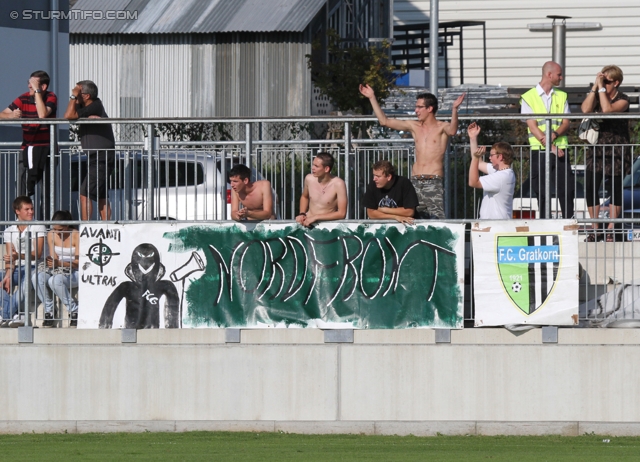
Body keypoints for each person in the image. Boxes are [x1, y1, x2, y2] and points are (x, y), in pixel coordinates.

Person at [359, 83, 465, 219]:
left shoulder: (441, 127)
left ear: (430, 108)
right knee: (413, 218)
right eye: (416, 107)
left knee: (435, 219)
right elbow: (384, 121)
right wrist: (372, 97)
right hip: (415, 180)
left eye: (419, 107)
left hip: (433, 180)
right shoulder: (414, 126)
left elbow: (453, 130)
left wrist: (455, 109)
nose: (416, 111)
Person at [580, 65, 631, 242]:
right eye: (603, 80)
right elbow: (585, 110)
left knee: (615, 188)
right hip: (598, 149)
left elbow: (608, 110)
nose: (604, 84)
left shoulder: (624, 99)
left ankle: (611, 228)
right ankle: (596, 227)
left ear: (616, 83)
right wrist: (595, 87)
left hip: (617, 148)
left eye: (607, 81)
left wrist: (601, 89)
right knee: (591, 186)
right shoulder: (598, 93)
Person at [520, 61, 575, 220]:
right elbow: (533, 126)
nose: (561, 77)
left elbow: (566, 122)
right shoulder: (528, 97)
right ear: (549, 75)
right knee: (542, 191)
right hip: (540, 151)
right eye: (559, 74)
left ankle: (567, 223)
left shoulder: (562, 96)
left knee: (566, 189)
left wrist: (555, 135)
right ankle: (545, 224)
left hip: (560, 150)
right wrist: (550, 146)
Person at [0, 70, 58, 218]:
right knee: (22, 188)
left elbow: (43, 115)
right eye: (29, 83)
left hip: (47, 151)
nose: (29, 86)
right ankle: (23, 225)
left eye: (32, 84)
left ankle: (45, 225)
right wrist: (10, 116)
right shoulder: (23, 99)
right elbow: (2, 114)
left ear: (43, 87)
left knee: (47, 191)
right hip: (27, 149)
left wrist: (37, 93)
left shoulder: (51, 97)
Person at [64, 80, 116, 220]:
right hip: (97, 156)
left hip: (101, 156)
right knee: (101, 195)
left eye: (78, 92)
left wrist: (73, 97)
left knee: (84, 195)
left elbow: (68, 115)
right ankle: (107, 227)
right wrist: (75, 99)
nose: (75, 94)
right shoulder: (86, 106)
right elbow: (70, 114)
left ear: (86, 96)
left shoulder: (95, 106)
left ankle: (87, 229)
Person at [0, 196, 46, 328]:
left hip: (34, 267)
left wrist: (17, 255)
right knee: (4, 277)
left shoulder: (38, 227)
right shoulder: (9, 230)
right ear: (17, 211)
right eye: (27, 209)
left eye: (32, 208)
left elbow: (37, 254)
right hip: (17, 269)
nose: (31, 212)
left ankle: (6, 314)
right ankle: (13, 314)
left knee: (28, 279)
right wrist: (8, 275)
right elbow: (10, 258)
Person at [32, 210, 79, 328]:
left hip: (75, 271)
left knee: (54, 280)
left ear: (67, 225)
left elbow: (78, 263)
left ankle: (74, 311)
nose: (57, 233)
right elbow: (54, 258)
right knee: (36, 277)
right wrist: (51, 262)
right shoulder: (51, 234)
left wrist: (59, 263)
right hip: (59, 269)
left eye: (60, 230)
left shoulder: (76, 234)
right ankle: (49, 310)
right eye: (55, 229)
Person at [467, 122, 516, 219]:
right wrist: (473, 139)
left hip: (495, 226)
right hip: (493, 225)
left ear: (500, 157)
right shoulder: (502, 172)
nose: (489, 158)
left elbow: (473, 182)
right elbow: (479, 164)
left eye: (492, 155)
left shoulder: (501, 177)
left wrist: (475, 158)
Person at [295, 152, 347, 227]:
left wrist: (316, 217)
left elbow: (342, 213)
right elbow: (304, 197)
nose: (312, 168)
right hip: (308, 224)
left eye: (316, 166)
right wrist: (302, 213)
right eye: (313, 164)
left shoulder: (338, 184)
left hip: (327, 227)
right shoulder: (309, 179)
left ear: (326, 169)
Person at [362, 160, 418, 224]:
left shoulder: (404, 183)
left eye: (378, 176)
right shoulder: (372, 185)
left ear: (389, 177)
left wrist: (383, 209)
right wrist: (395, 217)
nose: (374, 179)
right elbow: (371, 214)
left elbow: (409, 212)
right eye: (374, 175)